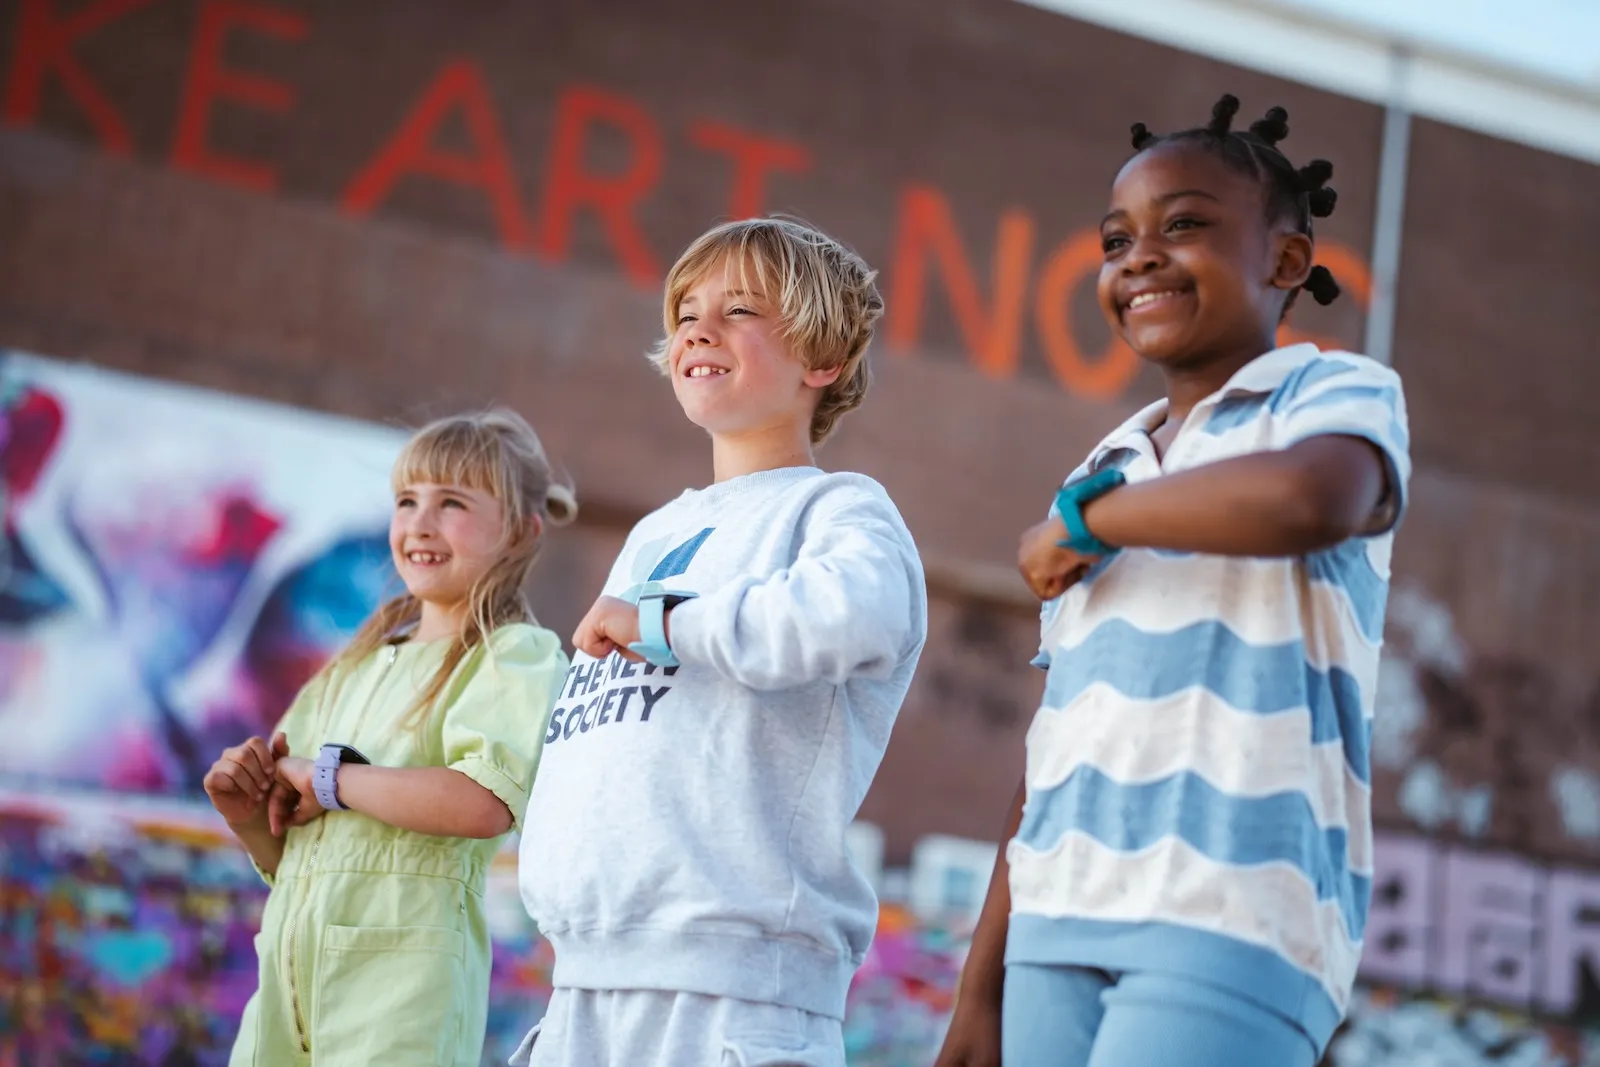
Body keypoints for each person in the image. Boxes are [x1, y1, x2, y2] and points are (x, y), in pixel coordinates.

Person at [934, 95, 1412, 1067]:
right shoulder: (1101, 463)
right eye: (1117, 240)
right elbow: (1056, 741)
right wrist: (979, 990)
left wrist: (1087, 523)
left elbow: (1310, 499)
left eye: (1183, 225)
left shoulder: (1331, 392)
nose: (1140, 257)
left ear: (1286, 260)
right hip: (1057, 919)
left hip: (1233, 911)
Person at [512, 217, 928, 1067]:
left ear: (823, 358)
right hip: (582, 985)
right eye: (685, 312)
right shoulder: (655, 533)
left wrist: (666, 622)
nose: (699, 328)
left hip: (734, 993)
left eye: (739, 309)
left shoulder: (840, 508)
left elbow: (858, 614)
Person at [203, 409, 574, 1066]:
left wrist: (331, 778)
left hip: (403, 986)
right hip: (284, 981)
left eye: (452, 502)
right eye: (407, 501)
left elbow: (483, 800)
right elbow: (293, 847)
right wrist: (247, 814)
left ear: (520, 531)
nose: (420, 522)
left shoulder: (514, 654)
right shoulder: (349, 667)